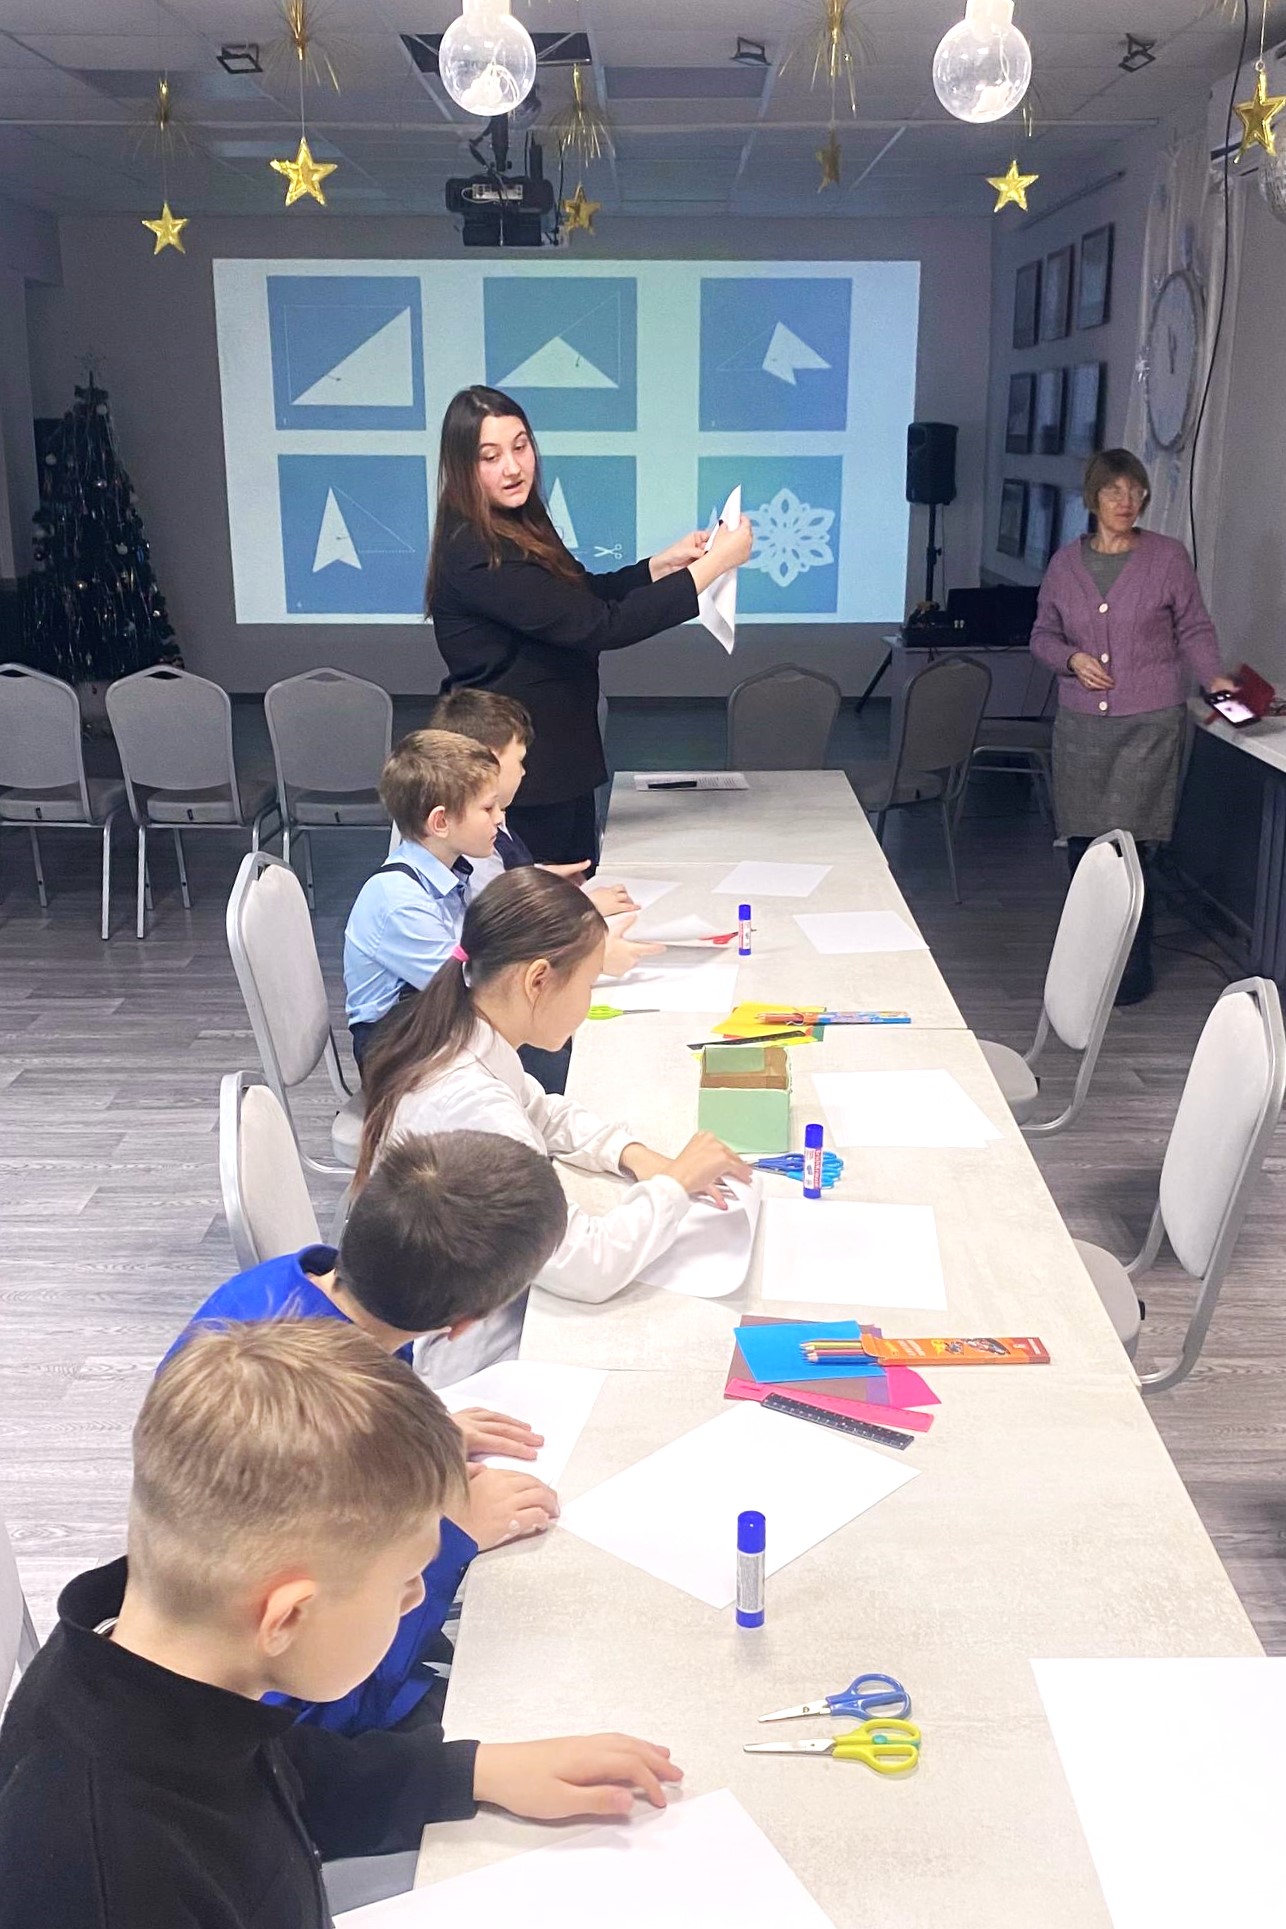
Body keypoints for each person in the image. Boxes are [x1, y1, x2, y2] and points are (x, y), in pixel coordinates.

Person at [0, 1322, 682, 1929]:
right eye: (405, 1580)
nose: (418, 1599)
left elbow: (283, 1769)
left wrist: (471, 1771)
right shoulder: (110, 1879)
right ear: (289, 1616)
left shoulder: (157, 1667)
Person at [158, 1129, 569, 1735]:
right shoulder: (327, 1440)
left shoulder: (278, 1286)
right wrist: (455, 1536)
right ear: (466, 1324)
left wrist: (417, 1442)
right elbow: (336, 1691)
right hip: (283, 1721)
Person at [356, 867, 751, 1372]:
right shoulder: (475, 1104)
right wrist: (674, 1186)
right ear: (538, 980)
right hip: (477, 1355)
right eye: (588, 984)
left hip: (486, 1300)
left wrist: (631, 1154)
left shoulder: (465, 1033)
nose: (588, 1002)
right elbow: (587, 1265)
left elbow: (541, 1110)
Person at [426, 384, 753, 864]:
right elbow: (597, 626)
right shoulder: (474, 549)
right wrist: (713, 566)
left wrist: (661, 566)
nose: (513, 467)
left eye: (520, 446)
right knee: (547, 904)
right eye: (491, 457)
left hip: (556, 757)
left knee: (578, 889)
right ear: (462, 468)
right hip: (513, 774)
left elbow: (578, 594)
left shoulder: (520, 519)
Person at [1029, 448, 1239, 1003]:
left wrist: (1213, 676)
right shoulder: (1065, 565)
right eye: (1114, 491)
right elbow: (1042, 635)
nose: (1127, 502)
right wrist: (1071, 659)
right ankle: (1085, 964)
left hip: (1149, 724)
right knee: (1085, 848)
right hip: (1081, 727)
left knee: (1132, 850)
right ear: (1093, 497)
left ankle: (1130, 968)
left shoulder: (1167, 558)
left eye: (1136, 492)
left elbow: (1193, 627)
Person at [428, 685, 662, 1094]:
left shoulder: (479, 833)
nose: (524, 773)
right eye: (519, 760)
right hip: (458, 1037)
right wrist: (592, 956)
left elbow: (500, 898)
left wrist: (545, 881)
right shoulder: (458, 855)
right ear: (486, 760)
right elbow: (482, 954)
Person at [344, 728, 503, 1072]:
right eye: (488, 808)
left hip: (436, 1025)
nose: (500, 817)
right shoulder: (400, 902)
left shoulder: (452, 871)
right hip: (398, 1051)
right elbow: (468, 989)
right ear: (440, 821)